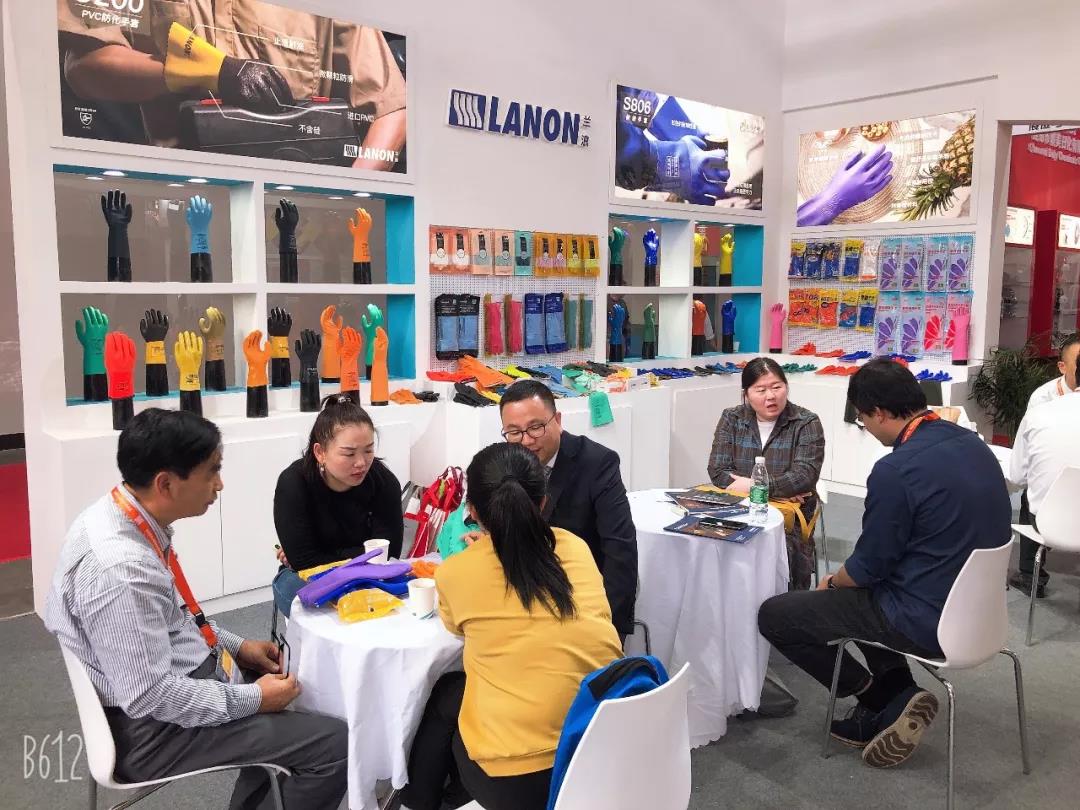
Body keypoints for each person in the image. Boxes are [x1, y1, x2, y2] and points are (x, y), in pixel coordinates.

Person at [44, 408, 348, 809]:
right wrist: (254, 699)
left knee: (292, 679)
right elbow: (149, 695)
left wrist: (237, 646)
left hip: (178, 681)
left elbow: (175, 619)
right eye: (211, 471)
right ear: (166, 484)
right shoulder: (121, 571)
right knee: (335, 747)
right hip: (154, 730)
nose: (219, 484)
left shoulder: (121, 517)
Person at [758, 359, 1011, 768]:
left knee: (777, 615)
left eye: (862, 419)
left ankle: (881, 699)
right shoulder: (971, 443)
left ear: (877, 412)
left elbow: (868, 567)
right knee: (857, 599)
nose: (866, 427)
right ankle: (898, 694)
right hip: (983, 612)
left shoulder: (896, 470)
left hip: (926, 619)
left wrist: (832, 584)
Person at [401, 443, 623, 810]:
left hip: (519, 780)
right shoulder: (576, 548)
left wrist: (483, 552)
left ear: (472, 512)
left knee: (445, 694)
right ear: (542, 502)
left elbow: (455, 628)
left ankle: (420, 801)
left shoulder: (457, 571)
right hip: (600, 749)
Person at [57, 0, 406, 171]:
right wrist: (208, 71)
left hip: (298, 205)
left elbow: (391, 108)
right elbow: (85, 67)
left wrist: (349, 196)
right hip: (181, 192)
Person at [497, 379, 637, 640]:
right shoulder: (508, 464)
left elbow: (620, 550)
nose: (526, 441)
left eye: (535, 427)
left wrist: (609, 628)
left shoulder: (597, 463)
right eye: (514, 432)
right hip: (524, 604)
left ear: (558, 420)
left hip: (582, 604)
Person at [272, 394, 404, 616]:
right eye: (349, 453)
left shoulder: (384, 482)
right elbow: (306, 563)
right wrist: (363, 554)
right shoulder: (294, 484)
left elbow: (387, 553)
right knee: (327, 611)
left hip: (370, 575)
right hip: (307, 577)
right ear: (320, 452)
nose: (361, 463)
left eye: (368, 450)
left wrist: (326, 553)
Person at [707, 357, 825, 589]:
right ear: (746, 394)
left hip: (786, 521)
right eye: (760, 390)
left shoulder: (805, 422)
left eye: (777, 387)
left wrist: (750, 485)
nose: (770, 396)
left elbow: (804, 476)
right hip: (738, 511)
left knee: (781, 563)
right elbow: (718, 471)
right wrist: (778, 488)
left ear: (786, 387)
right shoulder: (732, 418)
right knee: (708, 547)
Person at [1009, 332, 1079, 596]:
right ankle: (1032, 576)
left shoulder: (1041, 412)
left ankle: (1030, 574)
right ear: (1062, 367)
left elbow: (1017, 474)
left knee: (1031, 493)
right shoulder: (1043, 397)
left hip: (1049, 512)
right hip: (1052, 499)